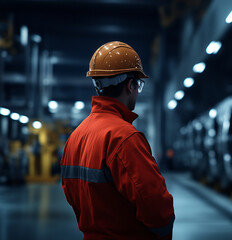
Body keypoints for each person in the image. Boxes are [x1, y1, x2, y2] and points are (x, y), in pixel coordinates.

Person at [60, 41, 175, 240]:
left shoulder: (76, 137)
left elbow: (72, 195)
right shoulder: (124, 137)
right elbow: (157, 209)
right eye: (138, 84)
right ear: (130, 86)